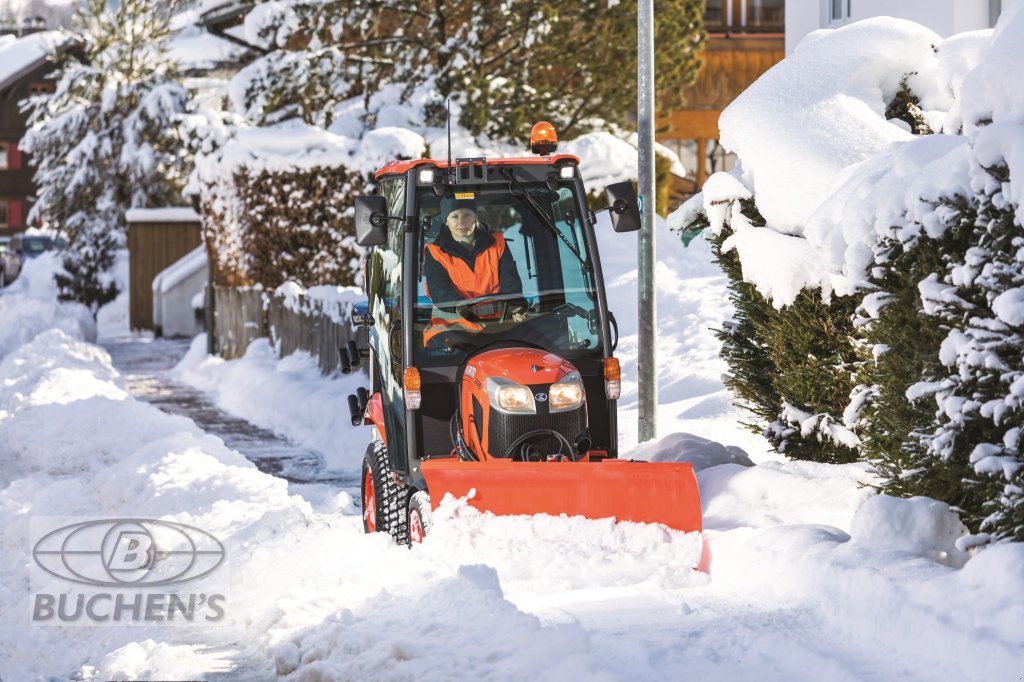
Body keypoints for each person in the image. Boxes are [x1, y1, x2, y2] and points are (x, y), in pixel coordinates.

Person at [422, 195, 527, 346]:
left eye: (467, 215)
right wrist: (459, 305)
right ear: (446, 221)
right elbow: (438, 289)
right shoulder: (435, 252)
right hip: (451, 329)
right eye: (454, 216)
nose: (461, 221)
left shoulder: (498, 243)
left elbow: (511, 283)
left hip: (496, 326)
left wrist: (515, 305)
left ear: (475, 217)